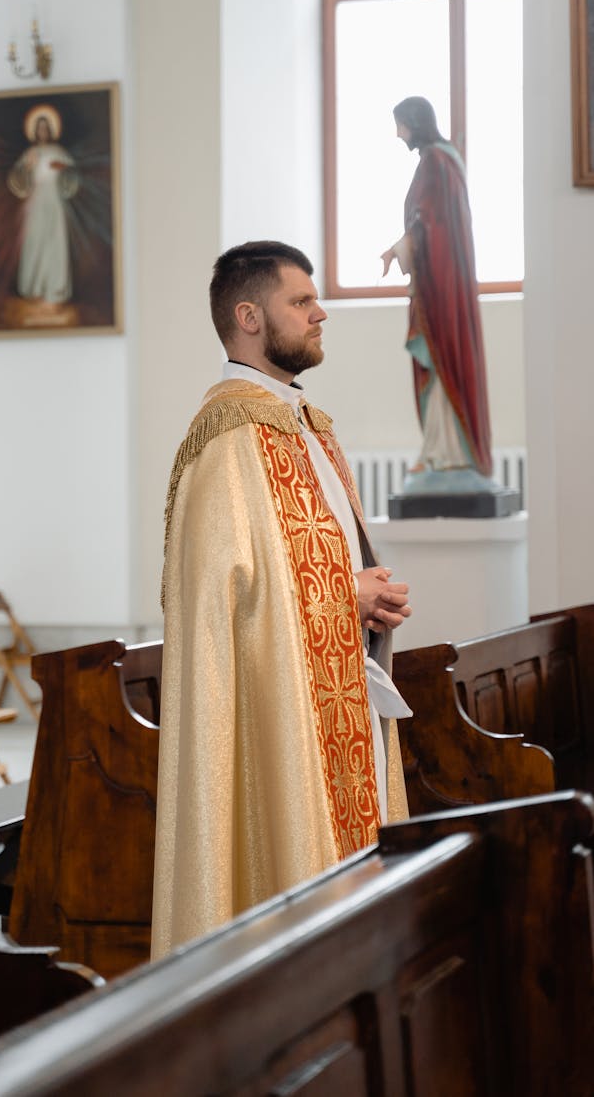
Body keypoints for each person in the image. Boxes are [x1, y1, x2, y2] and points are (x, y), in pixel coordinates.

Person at [151, 240, 413, 960]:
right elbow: (220, 607)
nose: (319, 311)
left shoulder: (305, 427)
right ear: (249, 317)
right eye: (301, 301)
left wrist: (366, 603)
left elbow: (305, 568)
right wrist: (343, 594)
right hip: (279, 723)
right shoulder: (227, 443)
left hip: (343, 700)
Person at [381, 96, 492, 479]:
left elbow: (428, 225)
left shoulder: (434, 163)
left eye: (401, 124)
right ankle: (441, 452)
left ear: (415, 123)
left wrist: (399, 249)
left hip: (439, 287)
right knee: (440, 359)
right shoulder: (445, 161)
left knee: (440, 357)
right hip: (444, 280)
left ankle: (446, 454)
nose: (398, 133)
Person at [7, 104, 79, 307]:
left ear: (51, 130)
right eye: (39, 128)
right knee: (36, 239)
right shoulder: (30, 153)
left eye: (46, 127)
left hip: (54, 199)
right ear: (35, 131)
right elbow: (17, 180)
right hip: (37, 199)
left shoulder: (59, 152)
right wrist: (27, 169)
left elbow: (72, 177)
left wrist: (63, 168)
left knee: (54, 240)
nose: (43, 131)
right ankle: (34, 287)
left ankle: (54, 288)